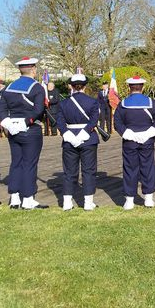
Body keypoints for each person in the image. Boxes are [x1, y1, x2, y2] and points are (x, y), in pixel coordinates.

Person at [0, 57, 47, 210]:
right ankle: (28, 198)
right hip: (30, 129)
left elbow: (1, 110)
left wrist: (8, 124)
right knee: (29, 164)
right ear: (33, 69)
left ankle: (14, 197)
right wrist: (24, 123)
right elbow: (38, 110)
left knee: (16, 162)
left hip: (13, 130)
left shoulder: (9, 87)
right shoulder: (37, 87)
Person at [113, 75, 155, 210]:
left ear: (129, 87)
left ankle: (129, 200)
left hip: (129, 142)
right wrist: (147, 134)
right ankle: (148, 199)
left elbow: (117, 122)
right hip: (147, 141)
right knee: (148, 168)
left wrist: (129, 134)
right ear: (143, 87)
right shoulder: (151, 102)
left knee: (130, 169)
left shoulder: (123, 103)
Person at [56, 72, 100, 211]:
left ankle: (67, 202)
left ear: (72, 86)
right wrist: (84, 133)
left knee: (69, 171)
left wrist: (67, 134)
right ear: (85, 86)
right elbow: (94, 120)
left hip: (69, 138)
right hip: (88, 139)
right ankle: (88, 202)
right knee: (88, 171)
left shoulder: (63, 103)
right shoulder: (93, 102)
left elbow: (60, 121)